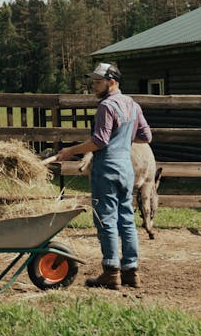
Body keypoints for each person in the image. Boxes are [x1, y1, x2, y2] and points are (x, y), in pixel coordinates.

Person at [54, 62, 152, 289]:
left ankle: (111, 271)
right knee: (126, 218)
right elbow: (146, 136)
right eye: (94, 82)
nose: (94, 87)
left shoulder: (107, 107)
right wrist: (123, 140)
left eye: (99, 82)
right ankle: (131, 270)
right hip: (125, 169)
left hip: (106, 169)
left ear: (113, 82)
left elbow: (99, 141)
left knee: (106, 219)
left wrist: (70, 151)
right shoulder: (133, 105)